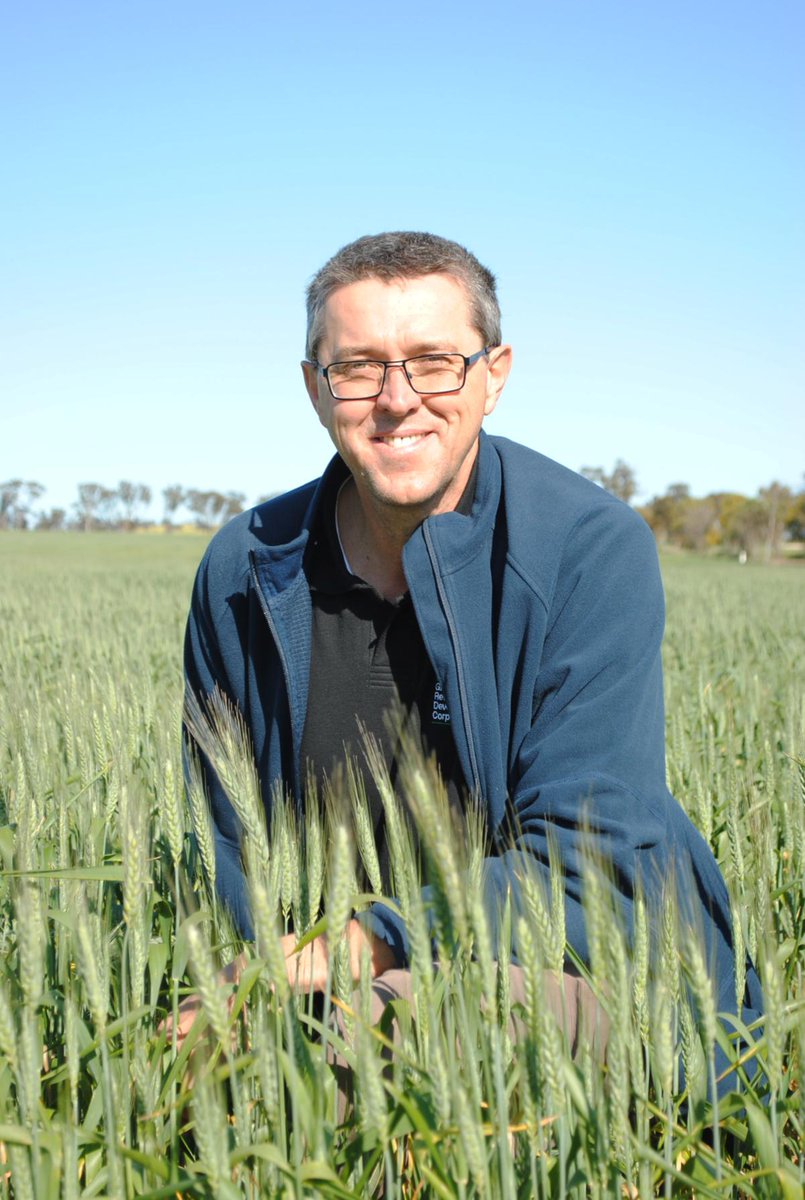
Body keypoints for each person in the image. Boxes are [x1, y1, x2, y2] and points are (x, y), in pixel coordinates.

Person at [182, 231, 761, 1057]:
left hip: (583, 969)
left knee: (360, 1040)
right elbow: (231, 838)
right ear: (315, 389)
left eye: (433, 361)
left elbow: (584, 867)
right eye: (358, 367)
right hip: (318, 980)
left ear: (493, 376)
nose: (396, 397)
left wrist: (347, 951)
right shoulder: (245, 568)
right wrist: (246, 990)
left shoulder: (586, 548)